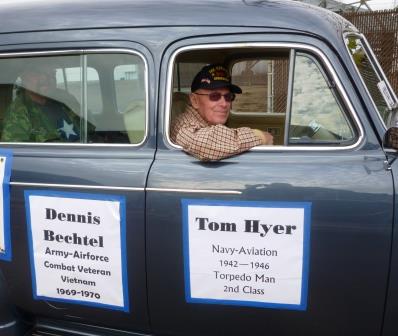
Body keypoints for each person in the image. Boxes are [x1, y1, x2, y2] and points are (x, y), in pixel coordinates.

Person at [170, 64, 273, 161]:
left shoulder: (206, 122)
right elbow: (203, 143)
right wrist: (260, 136)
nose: (224, 104)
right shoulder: (183, 125)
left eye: (228, 97)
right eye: (214, 96)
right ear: (194, 100)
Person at [1, 66, 81, 142]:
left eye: (52, 73)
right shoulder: (17, 112)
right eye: (37, 72)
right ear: (24, 77)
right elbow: (13, 152)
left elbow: (88, 128)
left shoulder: (65, 98)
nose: (46, 78)